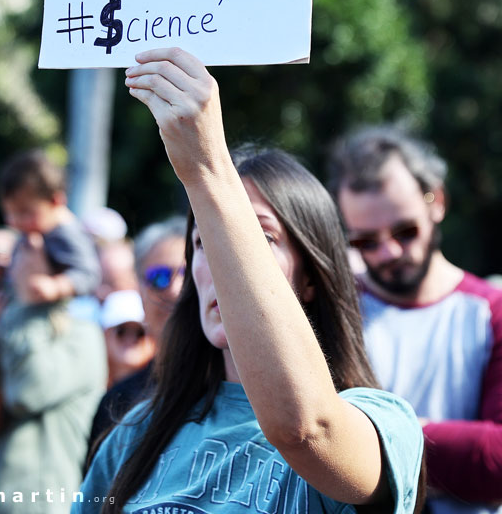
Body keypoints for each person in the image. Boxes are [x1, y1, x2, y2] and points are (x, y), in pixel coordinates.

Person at [76, 48, 424, 514]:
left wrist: (207, 170)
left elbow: (306, 429)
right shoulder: (134, 435)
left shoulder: (384, 423)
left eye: (258, 239)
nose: (221, 264)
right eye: (204, 242)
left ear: (311, 278)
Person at [328, 125, 502, 514]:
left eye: (405, 231)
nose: (388, 252)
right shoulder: (334, 311)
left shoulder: (492, 313)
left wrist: (378, 439)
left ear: (436, 202)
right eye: (365, 241)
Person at [0, 148, 101, 437]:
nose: (15, 222)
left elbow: (89, 274)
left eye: (24, 213)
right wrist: (6, 267)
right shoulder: (38, 229)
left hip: (38, 317)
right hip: (9, 304)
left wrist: (55, 285)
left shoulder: (66, 233)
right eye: (9, 213)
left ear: (56, 201)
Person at [87, 216, 185, 452]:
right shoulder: (117, 403)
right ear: (138, 291)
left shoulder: (239, 389)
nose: (174, 290)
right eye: (159, 277)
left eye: (187, 274)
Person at [100, 289, 155, 387]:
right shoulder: (92, 387)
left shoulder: (160, 386)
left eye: (139, 332)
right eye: (122, 330)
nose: (130, 338)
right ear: (105, 334)